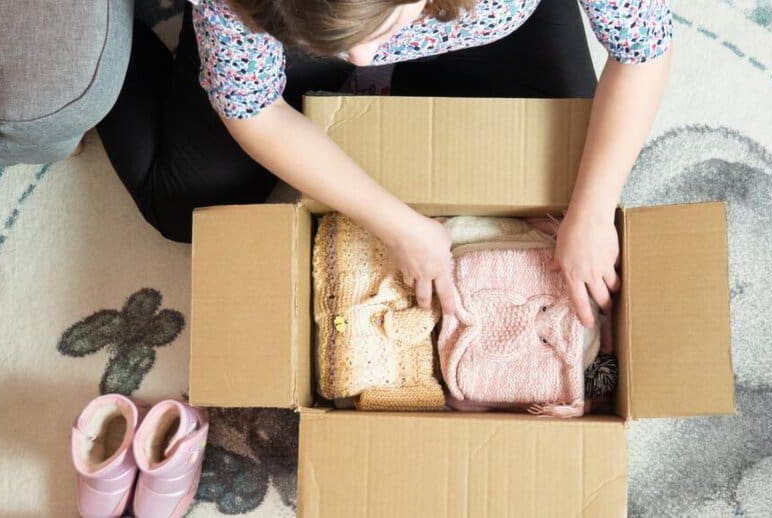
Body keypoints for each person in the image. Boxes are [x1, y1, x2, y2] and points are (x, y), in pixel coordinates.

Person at [97, 0, 672, 328]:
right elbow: (251, 108)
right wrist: (398, 225)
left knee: (561, 169)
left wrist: (593, 214)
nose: (364, 62)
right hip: (295, 34)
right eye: (353, 46)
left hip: (483, 20)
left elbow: (644, 49)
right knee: (184, 205)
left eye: (376, 32)